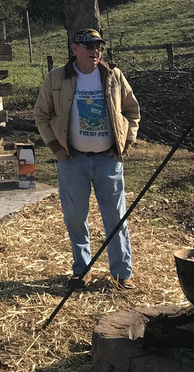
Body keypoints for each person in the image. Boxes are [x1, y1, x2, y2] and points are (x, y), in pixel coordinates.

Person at [33, 28, 141, 290]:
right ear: (74, 49)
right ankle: (82, 270)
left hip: (108, 160)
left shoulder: (113, 76)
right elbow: (41, 114)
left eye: (98, 46)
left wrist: (125, 144)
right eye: (89, 46)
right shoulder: (57, 77)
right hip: (72, 161)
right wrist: (55, 148)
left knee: (115, 217)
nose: (95, 51)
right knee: (75, 217)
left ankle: (121, 272)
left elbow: (132, 110)